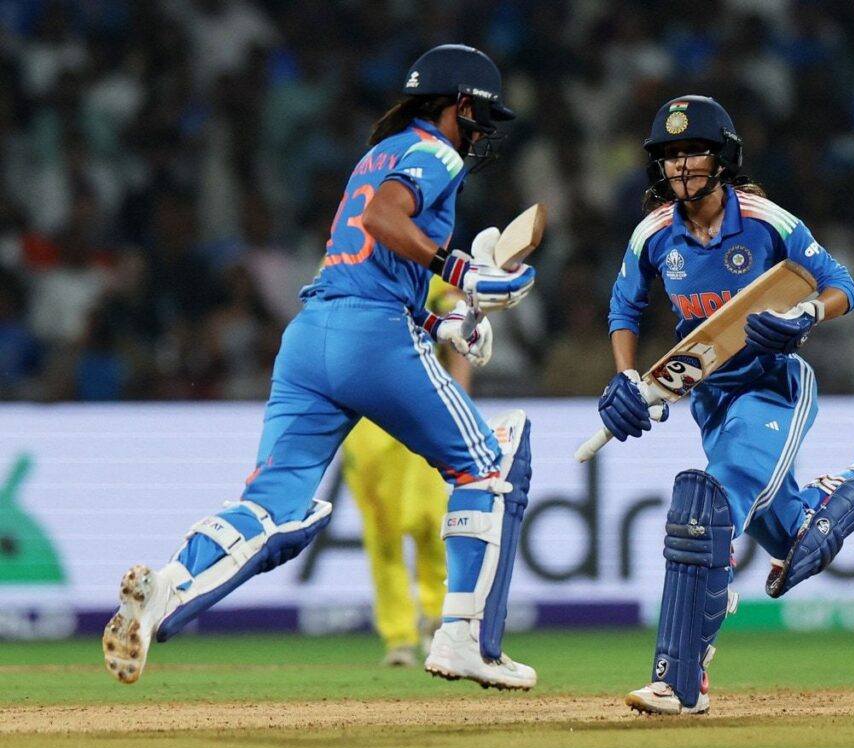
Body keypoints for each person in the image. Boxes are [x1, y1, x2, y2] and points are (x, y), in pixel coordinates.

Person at [102, 44, 539, 691]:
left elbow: (366, 262)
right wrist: (459, 271)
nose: (481, 133)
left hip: (312, 336)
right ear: (456, 104)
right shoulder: (436, 152)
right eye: (479, 114)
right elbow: (383, 220)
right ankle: (462, 640)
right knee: (489, 466)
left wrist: (439, 323)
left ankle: (168, 585)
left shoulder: (377, 155)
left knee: (274, 505)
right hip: (372, 337)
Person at [596, 95, 854, 716]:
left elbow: (841, 286)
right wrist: (627, 377)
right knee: (798, 543)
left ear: (723, 157)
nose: (681, 164)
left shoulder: (766, 221)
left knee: (708, 509)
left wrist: (803, 315)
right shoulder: (652, 234)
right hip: (712, 402)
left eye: (693, 150)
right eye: (671, 154)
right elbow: (624, 308)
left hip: (774, 387)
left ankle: (681, 680)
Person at [341, 277, 469, 667]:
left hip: (420, 407)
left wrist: (459, 394)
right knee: (382, 532)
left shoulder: (428, 270)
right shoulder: (338, 267)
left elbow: (461, 326)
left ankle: (438, 621)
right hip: (366, 420)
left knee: (433, 522)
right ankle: (398, 636)